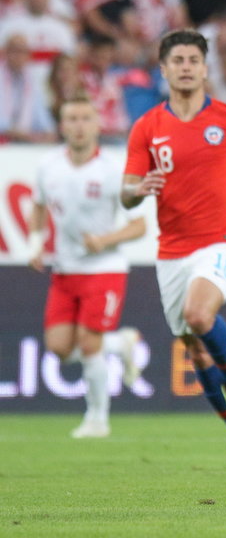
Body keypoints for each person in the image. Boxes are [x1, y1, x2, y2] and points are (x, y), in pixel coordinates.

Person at [121, 29, 226, 472]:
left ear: (203, 68)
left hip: (223, 239)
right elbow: (125, 193)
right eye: (176, 59)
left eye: (192, 59)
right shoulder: (147, 128)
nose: (184, 66)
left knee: (200, 316)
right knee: (194, 349)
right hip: (171, 250)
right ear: (163, 69)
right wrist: (139, 189)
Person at [27, 96, 146, 438]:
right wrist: (36, 245)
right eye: (72, 118)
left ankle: (97, 419)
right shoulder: (48, 166)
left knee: (89, 344)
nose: (78, 125)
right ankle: (120, 344)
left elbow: (139, 225)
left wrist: (105, 240)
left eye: (84, 118)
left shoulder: (112, 171)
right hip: (65, 270)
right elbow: (38, 206)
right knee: (59, 348)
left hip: (105, 268)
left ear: (96, 125)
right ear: (62, 125)